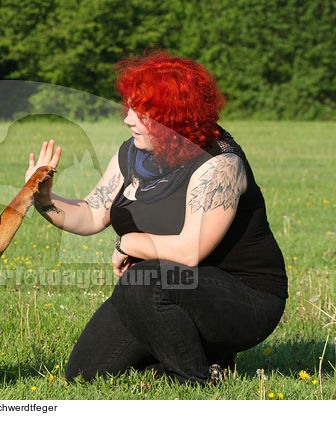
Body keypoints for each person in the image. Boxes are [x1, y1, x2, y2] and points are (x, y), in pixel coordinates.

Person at [24, 51, 288, 384]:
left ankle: (195, 379)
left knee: (144, 279)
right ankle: (201, 356)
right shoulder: (134, 152)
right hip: (166, 287)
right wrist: (43, 199)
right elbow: (91, 214)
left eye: (142, 111)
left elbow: (190, 251)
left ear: (173, 118)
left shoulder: (220, 165)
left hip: (243, 298)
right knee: (85, 373)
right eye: (129, 107)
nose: (128, 119)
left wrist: (129, 243)